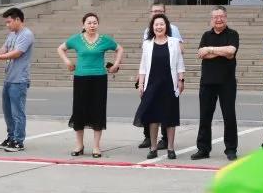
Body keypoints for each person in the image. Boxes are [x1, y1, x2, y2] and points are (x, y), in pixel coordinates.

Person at [58, 13, 123, 158]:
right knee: (79, 110)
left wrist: (116, 65)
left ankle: (96, 146)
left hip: (99, 78)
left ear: (98, 24)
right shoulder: (76, 39)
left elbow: (119, 48)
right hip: (81, 78)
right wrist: (67, 62)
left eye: (94, 22)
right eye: (89, 23)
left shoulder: (104, 39)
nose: (92, 25)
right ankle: (79, 145)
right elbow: (61, 48)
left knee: (98, 110)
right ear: (83, 25)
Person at [192, 7, 240, 161]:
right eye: (215, 17)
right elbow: (201, 54)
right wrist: (220, 52)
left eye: (221, 16)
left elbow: (231, 52)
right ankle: (203, 149)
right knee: (205, 117)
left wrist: (210, 49)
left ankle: (231, 149)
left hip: (227, 83)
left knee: (229, 116)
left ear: (226, 17)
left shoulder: (232, 34)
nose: (218, 19)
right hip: (207, 82)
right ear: (211, 19)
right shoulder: (206, 35)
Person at [136, 13, 185, 159]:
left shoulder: (174, 42)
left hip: (169, 83)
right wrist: (141, 84)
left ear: (166, 26)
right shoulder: (147, 43)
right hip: (152, 84)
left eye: (162, 24)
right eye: (156, 24)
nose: (159, 27)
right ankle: (153, 148)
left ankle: (170, 148)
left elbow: (180, 63)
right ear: (152, 27)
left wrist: (181, 80)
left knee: (170, 117)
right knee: (153, 117)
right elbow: (143, 66)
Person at [0, 7, 35, 153]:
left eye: (9, 22)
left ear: (17, 20)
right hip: (9, 78)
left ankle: (18, 141)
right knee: (7, 111)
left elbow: (17, 53)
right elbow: (4, 49)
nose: (7, 25)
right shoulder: (11, 34)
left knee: (17, 112)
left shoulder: (26, 34)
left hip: (19, 79)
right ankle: (11, 137)